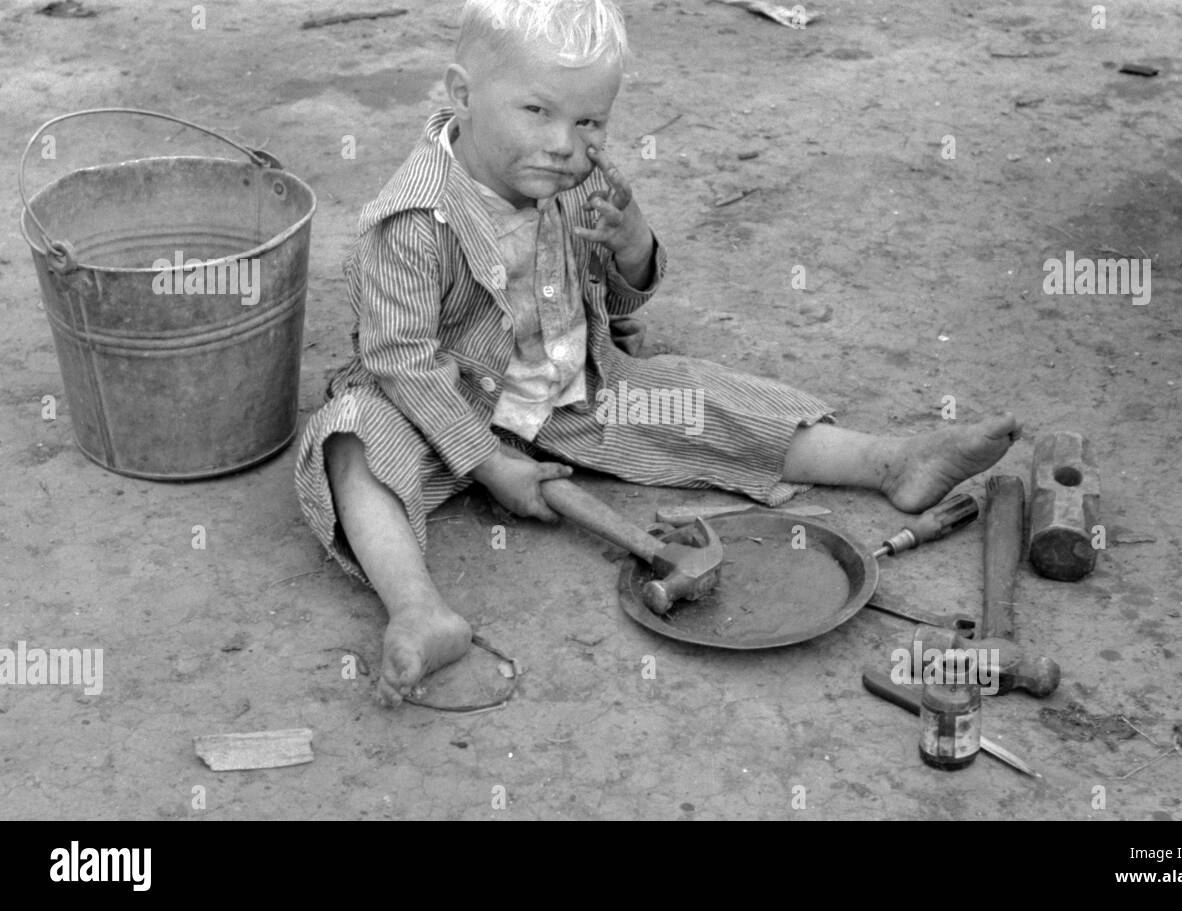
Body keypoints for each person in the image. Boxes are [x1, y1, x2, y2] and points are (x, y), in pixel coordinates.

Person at [295, 0, 1021, 706]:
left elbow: (627, 301)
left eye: (589, 122)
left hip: (566, 397)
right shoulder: (412, 218)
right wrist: (488, 461)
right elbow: (401, 360)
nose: (562, 143)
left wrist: (631, 241)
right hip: (436, 413)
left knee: (698, 396)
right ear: (463, 94)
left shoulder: (576, 184)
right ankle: (420, 608)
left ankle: (890, 461)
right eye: (537, 112)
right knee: (349, 438)